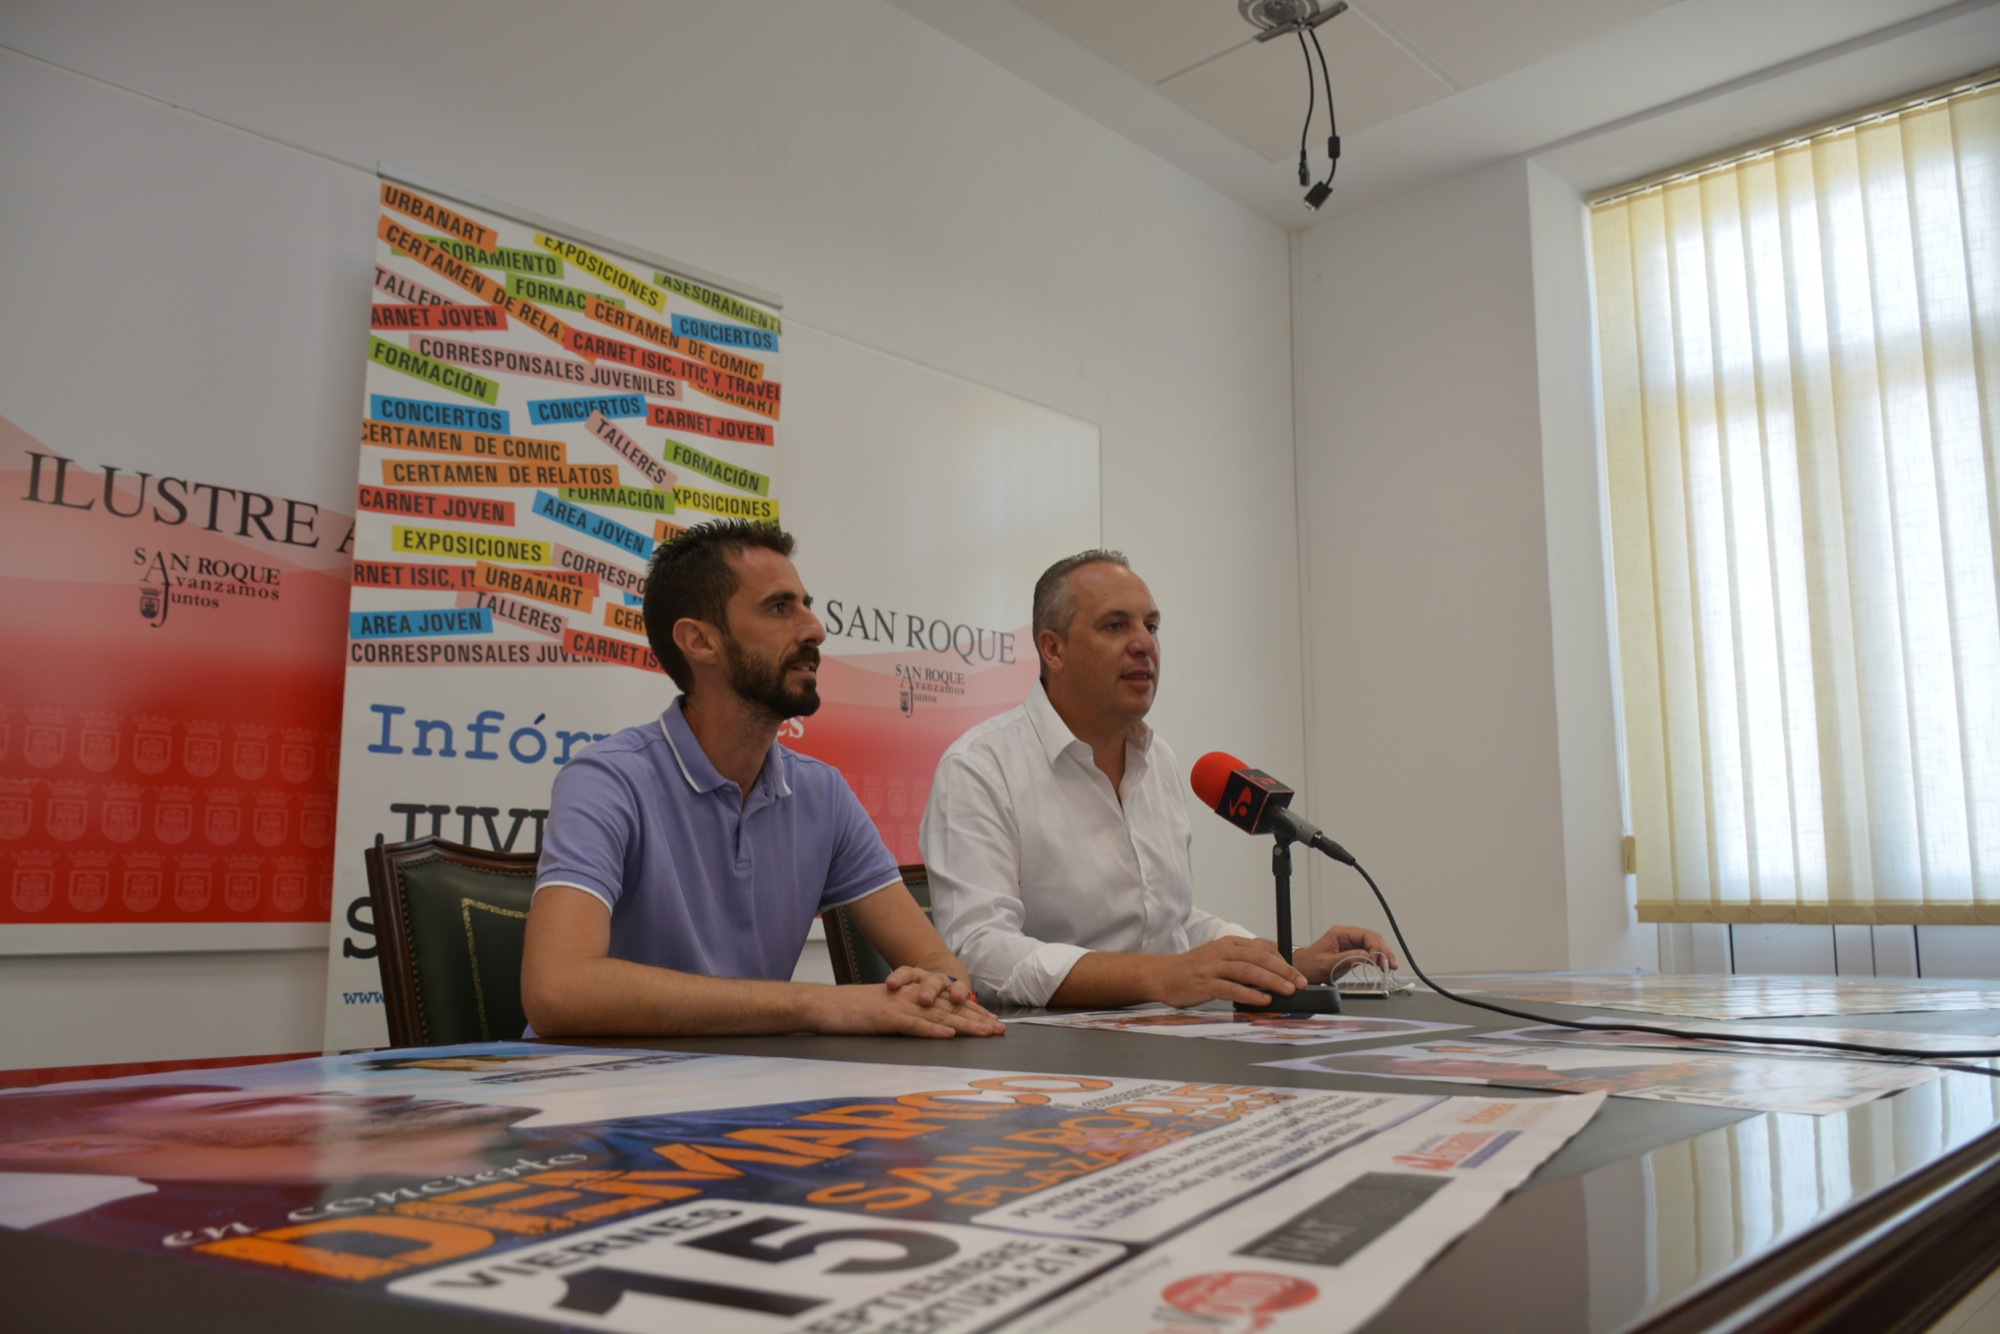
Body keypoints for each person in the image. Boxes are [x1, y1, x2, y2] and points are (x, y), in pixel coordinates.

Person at [522, 521, 1002, 1040]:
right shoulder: (607, 780)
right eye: (779, 608)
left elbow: (935, 960)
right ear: (700, 641)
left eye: (806, 605)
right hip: (604, 1084)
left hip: (750, 1080)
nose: (815, 629)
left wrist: (940, 990)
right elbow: (558, 990)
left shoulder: (823, 793)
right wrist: (819, 1004)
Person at [920, 549, 1394, 1009]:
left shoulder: (1158, 759)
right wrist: (1158, 976)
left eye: (1151, 626)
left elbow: (1174, 927)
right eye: (1115, 626)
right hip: (1042, 1050)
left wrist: (1290, 962)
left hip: (1165, 1036)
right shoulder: (980, 768)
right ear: (1053, 649)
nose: (1144, 644)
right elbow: (979, 951)